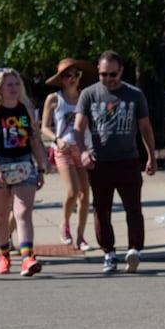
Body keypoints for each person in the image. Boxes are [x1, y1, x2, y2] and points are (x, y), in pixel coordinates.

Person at [75, 52, 156, 274]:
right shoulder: (89, 95)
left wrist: (151, 155)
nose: (108, 78)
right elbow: (78, 128)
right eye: (103, 74)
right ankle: (109, 253)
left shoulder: (134, 95)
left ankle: (134, 250)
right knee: (101, 209)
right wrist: (83, 152)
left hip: (128, 160)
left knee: (134, 208)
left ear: (121, 71)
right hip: (99, 162)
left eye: (112, 74)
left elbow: (145, 128)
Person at [0, 68, 51, 277]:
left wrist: (41, 165)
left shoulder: (25, 110)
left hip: (22, 163)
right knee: (0, 216)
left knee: (23, 212)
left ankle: (28, 257)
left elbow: (34, 139)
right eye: (9, 84)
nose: (13, 88)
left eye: (16, 84)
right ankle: (4, 256)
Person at [40, 58, 95, 252]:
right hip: (63, 149)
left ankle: (81, 237)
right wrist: (56, 140)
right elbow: (44, 127)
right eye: (67, 75)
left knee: (85, 194)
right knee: (72, 191)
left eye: (76, 74)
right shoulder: (54, 99)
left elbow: (91, 125)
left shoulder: (85, 97)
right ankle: (65, 224)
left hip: (82, 149)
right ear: (61, 79)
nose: (72, 78)